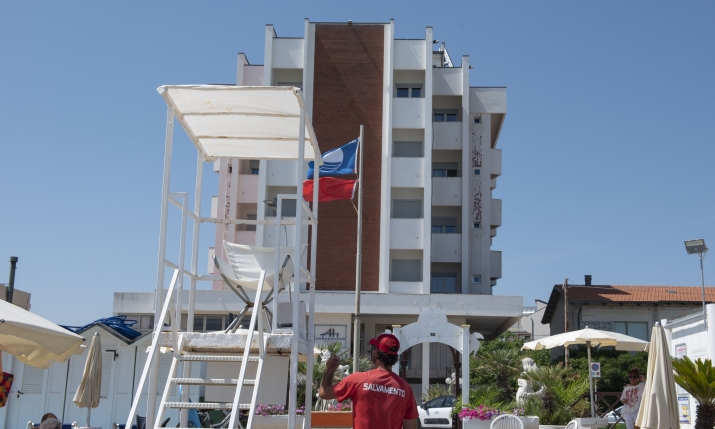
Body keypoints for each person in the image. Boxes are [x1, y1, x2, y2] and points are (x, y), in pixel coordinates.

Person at [319, 333, 418, 429]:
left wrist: (331, 368)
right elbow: (411, 426)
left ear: (376, 352)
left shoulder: (358, 380)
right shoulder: (405, 388)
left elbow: (324, 392)